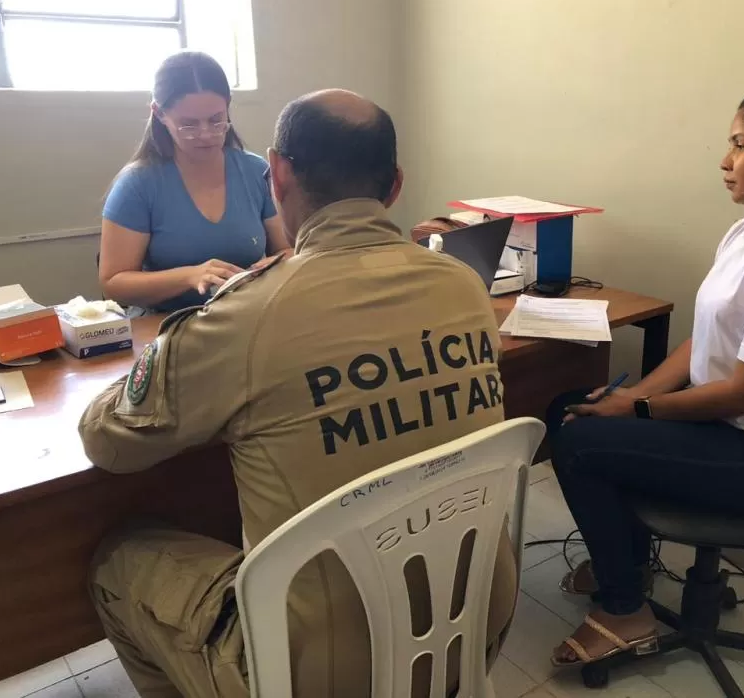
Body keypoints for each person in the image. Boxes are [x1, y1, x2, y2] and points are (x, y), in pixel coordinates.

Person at [80, 89, 517, 698]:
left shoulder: (248, 315)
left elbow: (107, 443)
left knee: (118, 561)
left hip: (323, 675)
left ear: (278, 174)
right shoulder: (464, 285)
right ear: (395, 185)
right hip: (473, 624)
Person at [548, 83, 744, 668]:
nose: (725, 160)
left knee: (579, 442)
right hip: (729, 428)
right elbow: (704, 338)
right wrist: (635, 394)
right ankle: (628, 564)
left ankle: (625, 610)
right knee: (571, 406)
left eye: (740, 145)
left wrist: (636, 410)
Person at [98, 51, 289, 313]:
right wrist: (189, 276)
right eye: (188, 125)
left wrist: (272, 266)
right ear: (159, 114)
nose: (205, 134)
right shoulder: (138, 184)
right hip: (166, 324)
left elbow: (289, 250)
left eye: (216, 120)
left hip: (245, 316)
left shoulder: (256, 172)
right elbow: (113, 283)